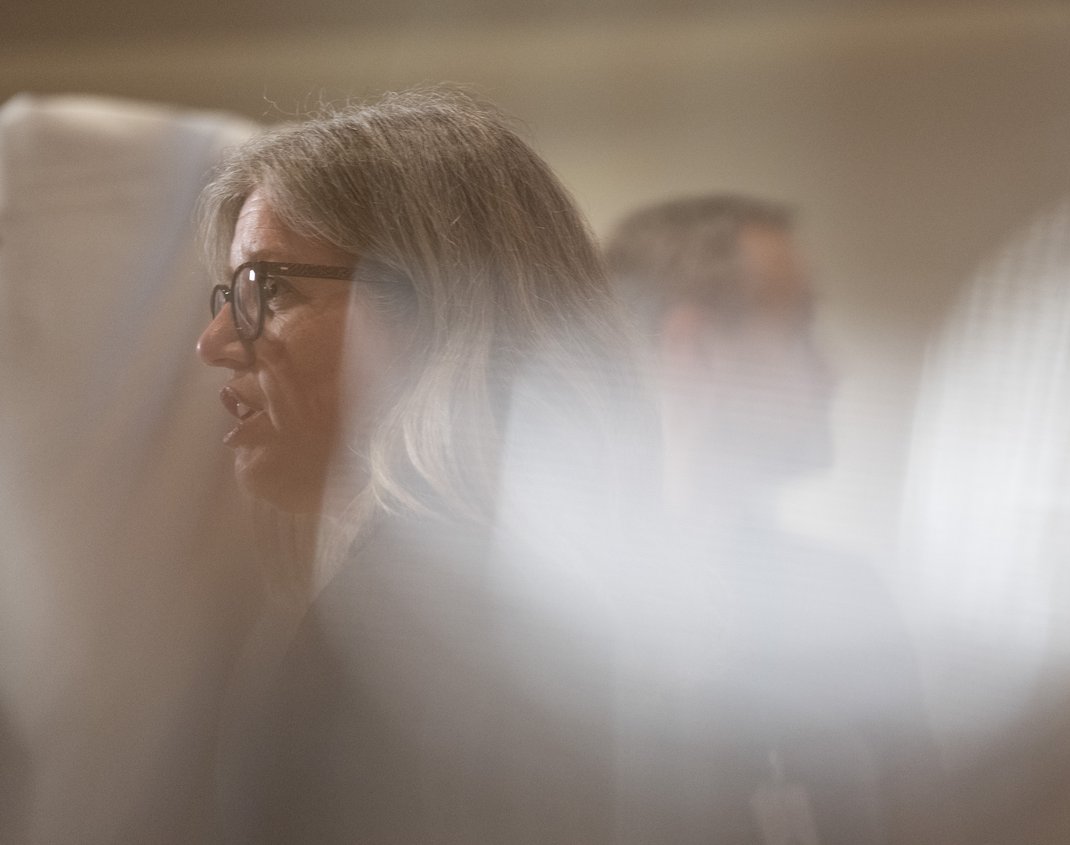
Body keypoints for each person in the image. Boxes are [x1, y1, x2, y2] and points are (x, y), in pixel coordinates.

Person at [195, 87, 646, 844]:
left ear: (438, 310)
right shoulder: (559, 590)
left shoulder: (401, 631)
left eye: (268, 288)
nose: (214, 342)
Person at [604, 195, 929, 845]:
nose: (833, 371)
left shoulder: (846, 601)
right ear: (694, 350)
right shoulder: (562, 628)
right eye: (799, 327)